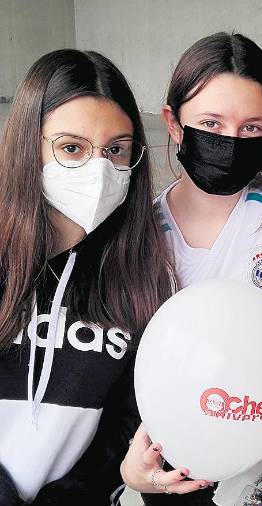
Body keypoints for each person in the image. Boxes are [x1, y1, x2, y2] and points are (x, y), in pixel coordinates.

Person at [121, 32, 262, 506]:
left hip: (258, 427)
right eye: (211, 122)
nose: (230, 143)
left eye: (252, 128)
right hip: (169, 447)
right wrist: (134, 469)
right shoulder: (144, 226)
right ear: (173, 123)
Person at [0, 49, 173, 505]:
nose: (99, 170)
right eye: (71, 147)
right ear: (29, 145)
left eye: (116, 150)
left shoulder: (138, 274)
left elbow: (123, 427)